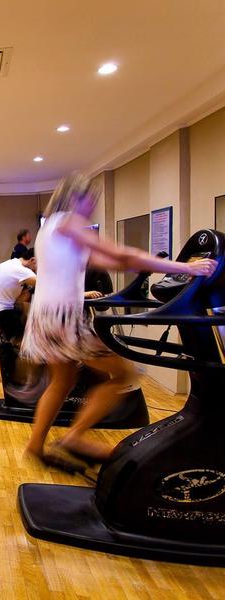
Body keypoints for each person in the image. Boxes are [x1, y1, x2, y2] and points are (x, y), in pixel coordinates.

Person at [20, 173, 216, 471]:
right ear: (76, 198)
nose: (92, 207)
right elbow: (121, 254)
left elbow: (108, 261)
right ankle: (74, 437)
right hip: (63, 318)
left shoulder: (51, 228)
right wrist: (183, 267)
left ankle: (36, 445)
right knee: (124, 375)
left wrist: (146, 265)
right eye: (90, 200)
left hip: (45, 316)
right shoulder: (69, 220)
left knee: (63, 381)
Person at [0, 249, 38, 341]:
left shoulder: (13, 263)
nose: (38, 269)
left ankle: (15, 338)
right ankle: (17, 343)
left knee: (24, 309)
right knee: (28, 326)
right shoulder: (22, 270)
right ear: (33, 260)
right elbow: (44, 285)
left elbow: (21, 298)